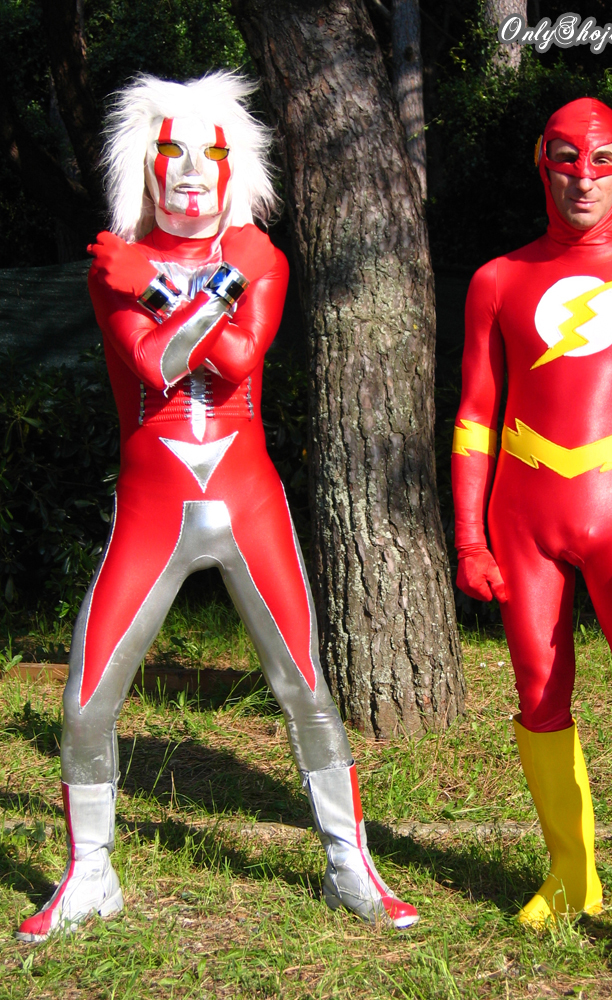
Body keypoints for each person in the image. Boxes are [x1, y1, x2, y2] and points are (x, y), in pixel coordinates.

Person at [16, 72, 418, 942]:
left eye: (212, 153)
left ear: (237, 168)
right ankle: (90, 874)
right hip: (152, 509)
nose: (193, 170)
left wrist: (160, 287)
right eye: (174, 152)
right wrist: (196, 287)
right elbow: (158, 366)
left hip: (247, 499)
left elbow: (237, 360)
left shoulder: (248, 256)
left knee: (305, 685)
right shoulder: (119, 264)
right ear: (145, 165)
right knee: (86, 700)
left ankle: (350, 866)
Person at [451, 97, 612, 978]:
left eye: (602, 160)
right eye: (566, 157)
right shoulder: (497, 279)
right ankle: (573, 874)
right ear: (542, 162)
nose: (584, 177)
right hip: (523, 516)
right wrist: (469, 536)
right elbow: (475, 418)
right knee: (537, 691)